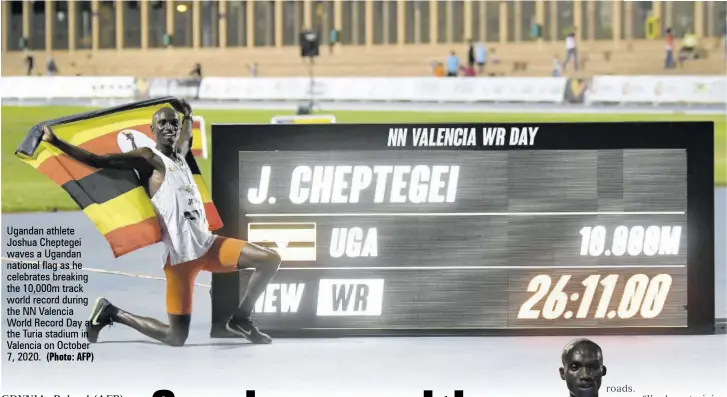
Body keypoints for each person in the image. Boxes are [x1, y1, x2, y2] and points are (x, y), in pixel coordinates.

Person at [40, 100, 282, 347]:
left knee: (270, 259)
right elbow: (99, 160)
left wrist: (186, 113)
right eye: (162, 123)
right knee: (175, 337)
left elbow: (186, 137)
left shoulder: (181, 156)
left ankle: (241, 319)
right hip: (180, 260)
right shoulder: (149, 158)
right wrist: (55, 142)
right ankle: (111, 312)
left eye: (173, 124)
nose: (169, 127)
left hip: (209, 247)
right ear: (152, 130)